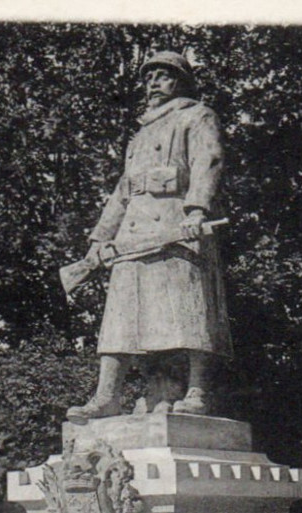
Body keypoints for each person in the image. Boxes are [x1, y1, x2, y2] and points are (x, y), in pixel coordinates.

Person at [67, 50, 232, 422]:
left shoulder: (196, 116)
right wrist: (99, 240)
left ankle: (197, 392)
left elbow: (209, 162)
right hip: (134, 232)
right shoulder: (141, 133)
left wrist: (196, 210)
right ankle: (107, 396)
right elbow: (123, 189)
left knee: (189, 313)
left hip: (177, 225)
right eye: (149, 77)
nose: (153, 83)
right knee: (120, 317)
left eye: (164, 75)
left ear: (181, 82)